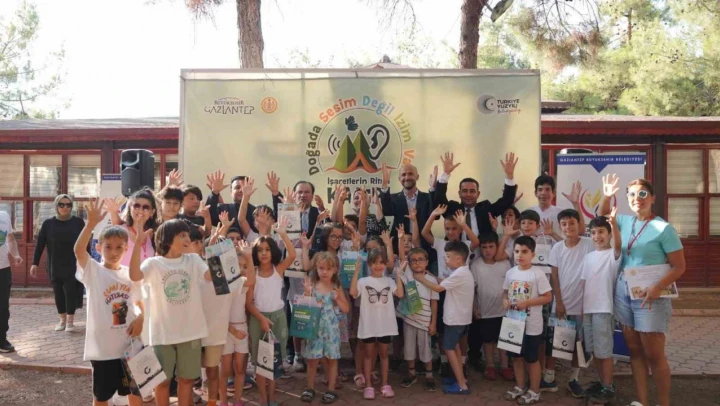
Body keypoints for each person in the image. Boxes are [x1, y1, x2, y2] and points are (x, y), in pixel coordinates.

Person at [599, 175, 685, 406]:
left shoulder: (664, 229)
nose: (637, 198)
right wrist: (607, 195)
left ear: (653, 198)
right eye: (632, 195)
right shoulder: (625, 221)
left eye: (643, 194)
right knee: (635, 352)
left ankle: (663, 403)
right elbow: (602, 213)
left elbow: (679, 267)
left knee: (654, 355)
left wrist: (658, 287)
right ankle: (642, 402)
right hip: (624, 292)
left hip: (651, 296)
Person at [129, 218, 213, 406]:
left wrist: (220, 255)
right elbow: (135, 276)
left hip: (191, 333)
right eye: (182, 235)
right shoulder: (153, 263)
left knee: (187, 380)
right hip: (162, 334)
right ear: (167, 239)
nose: (187, 239)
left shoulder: (194, 260)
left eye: (188, 235)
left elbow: (210, 276)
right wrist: (137, 244)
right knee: (161, 382)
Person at [74, 199, 144, 406]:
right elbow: (79, 251)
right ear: (99, 247)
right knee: (102, 396)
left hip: (130, 346)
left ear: (126, 248)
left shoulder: (130, 274)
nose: (114, 252)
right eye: (108, 247)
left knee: (135, 392)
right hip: (103, 349)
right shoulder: (93, 271)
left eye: (119, 247)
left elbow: (139, 301)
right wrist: (90, 224)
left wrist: (141, 319)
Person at [420, 205, 478, 376]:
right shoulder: (441, 244)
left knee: (462, 331)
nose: (451, 231)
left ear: (460, 230)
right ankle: (445, 361)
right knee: (442, 329)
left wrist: (464, 224)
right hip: (443, 290)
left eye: (454, 228)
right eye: (447, 228)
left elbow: (476, 242)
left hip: (460, 293)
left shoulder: (465, 245)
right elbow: (425, 233)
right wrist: (433, 215)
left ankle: (462, 362)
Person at [542, 209, 595, 395]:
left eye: (571, 223)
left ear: (579, 224)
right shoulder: (557, 248)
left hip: (582, 305)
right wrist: (559, 302)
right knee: (556, 342)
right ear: (560, 226)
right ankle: (549, 378)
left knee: (578, 346)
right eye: (564, 224)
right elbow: (554, 277)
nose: (568, 227)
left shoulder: (589, 244)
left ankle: (574, 379)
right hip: (561, 305)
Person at [412, 241, 474, 395]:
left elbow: (439, 288)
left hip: (455, 319)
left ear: (458, 258)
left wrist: (421, 279)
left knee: (449, 348)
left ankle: (462, 385)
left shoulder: (459, 274)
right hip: (459, 318)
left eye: (447, 256)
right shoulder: (461, 272)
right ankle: (460, 379)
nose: (445, 259)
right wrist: (432, 276)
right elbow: (444, 283)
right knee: (455, 347)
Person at [246, 218, 296, 406]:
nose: (264, 253)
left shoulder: (278, 269)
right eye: (260, 250)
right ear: (255, 253)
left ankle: (272, 399)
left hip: (278, 318)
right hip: (258, 320)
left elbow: (292, 254)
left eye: (267, 249)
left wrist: (283, 234)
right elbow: (248, 303)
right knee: (261, 364)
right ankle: (262, 399)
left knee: (274, 361)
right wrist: (261, 319)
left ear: (273, 251)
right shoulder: (253, 273)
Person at [503, 236, 553, 405]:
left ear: (533, 254)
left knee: (531, 359)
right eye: (517, 251)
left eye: (524, 251)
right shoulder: (510, 272)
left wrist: (527, 303)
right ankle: (520, 386)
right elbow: (505, 292)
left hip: (532, 325)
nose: (520, 255)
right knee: (516, 357)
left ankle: (534, 391)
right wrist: (504, 301)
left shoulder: (537, 274)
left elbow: (548, 297)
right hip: (513, 322)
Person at [350, 248, 404, 400]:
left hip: (385, 326)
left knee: (384, 355)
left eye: (381, 262)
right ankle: (368, 386)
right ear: (369, 264)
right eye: (374, 262)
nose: (378, 266)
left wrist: (399, 276)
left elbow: (400, 294)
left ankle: (385, 384)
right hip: (369, 326)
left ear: (386, 264)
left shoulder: (389, 281)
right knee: (368, 355)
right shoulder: (363, 281)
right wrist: (356, 272)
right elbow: (353, 293)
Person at [580, 211, 622, 403]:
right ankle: (602, 382)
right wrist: (582, 309)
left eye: (602, 232)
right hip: (588, 310)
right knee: (594, 351)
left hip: (604, 309)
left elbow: (619, 245)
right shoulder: (588, 257)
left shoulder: (613, 255)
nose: (597, 236)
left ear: (610, 234)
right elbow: (584, 284)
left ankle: (608, 386)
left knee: (604, 351)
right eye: (593, 232)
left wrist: (614, 224)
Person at [299, 252, 350, 404]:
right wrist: (307, 293)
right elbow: (304, 307)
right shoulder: (312, 286)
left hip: (331, 329)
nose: (324, 272)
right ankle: (310, 387)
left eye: (328, 269)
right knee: (312, 359)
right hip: (314, 329)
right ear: (316, 268)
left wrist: (338, 299)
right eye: (321, 268)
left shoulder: (336, 287)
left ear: (335, 270)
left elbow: (346, 308)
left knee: (332, 359)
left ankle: (331, 389)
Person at [30, 194, 85, 333]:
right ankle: (62, 320)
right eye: (61, 204)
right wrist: (35, 263)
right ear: (56, 206)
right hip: (54, 265)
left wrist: (86, 262)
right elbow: (40, 245)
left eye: (68, 205)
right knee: (58, 293)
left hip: (73, 264)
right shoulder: (48, 224)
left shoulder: (78, 223)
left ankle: (70, 322)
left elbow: (85, 243)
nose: (65, 207)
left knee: (70, 292)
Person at [433, 151, 519, 237]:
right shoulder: (453, 209)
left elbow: (507, 200)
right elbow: (439, 200)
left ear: (478, 194)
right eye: (465, 191)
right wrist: (445, 174)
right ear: (459, 193)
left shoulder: (486, 209)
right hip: (457, 245)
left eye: (472, 191)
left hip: (483, 245)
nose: (468, 194)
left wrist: (509, 176)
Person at [470, 233, 513, 381]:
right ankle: (490, 365)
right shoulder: (475, 265)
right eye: (484, 247)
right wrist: (474, 307)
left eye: (491, 246)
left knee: (504, 340)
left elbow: (510, 286)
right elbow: (473, 289)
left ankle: (505, 366)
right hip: (486, 311)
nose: (488, 250)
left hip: (504, 311)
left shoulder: (505, 263)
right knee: (488, 341)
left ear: (497, 246)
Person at [396, 248, 439, 392]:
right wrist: (401, 239)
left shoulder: (432, 280)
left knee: (426, 349)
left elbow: (434, 303)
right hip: (409, 319)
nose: (417, 263)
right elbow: (402, 258)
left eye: (421, 259)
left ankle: (429, 376)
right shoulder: (408, 276)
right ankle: (412, 374)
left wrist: (433, 323)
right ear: (409, 263)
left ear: (427, 262)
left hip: (425, 322)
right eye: (413, 260)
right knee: (409, 349)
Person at [219, 238, 255, 406]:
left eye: (245, 266)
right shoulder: (222, 286)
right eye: (238, 265)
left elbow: (251, 282)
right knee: (225, 369)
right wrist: (232, 331)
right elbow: (219, 314)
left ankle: (238, 400)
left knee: (240, 368)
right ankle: (223, 401)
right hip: (226, 330)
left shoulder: (244, 283)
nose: (241, 269)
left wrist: (249, 257)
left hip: (242, 329)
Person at [379, 163, 434, 255]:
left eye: (410, 174)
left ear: (417, 177)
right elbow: (387, 211)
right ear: (399, 179)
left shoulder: (427, 198)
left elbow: (436, 216)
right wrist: (384, 185)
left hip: (423, 246)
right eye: (403, 175)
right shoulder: (393, 198)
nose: (407, 177)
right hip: (399, 246)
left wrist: (433, 188)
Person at [529, 176, 584, 240]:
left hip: (558, 246)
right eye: (540, 190)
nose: (543, 193)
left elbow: (581, 230)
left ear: (554, 193)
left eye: (547, 189)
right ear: (535, 193)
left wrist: (576, 203)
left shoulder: (561, 213)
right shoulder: (529, 212)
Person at [0, 209, 24, 353]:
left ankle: (1, 341)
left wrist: (15, 254)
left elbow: (10, 239)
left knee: (3, 308)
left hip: (3, 270)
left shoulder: (4, 216)